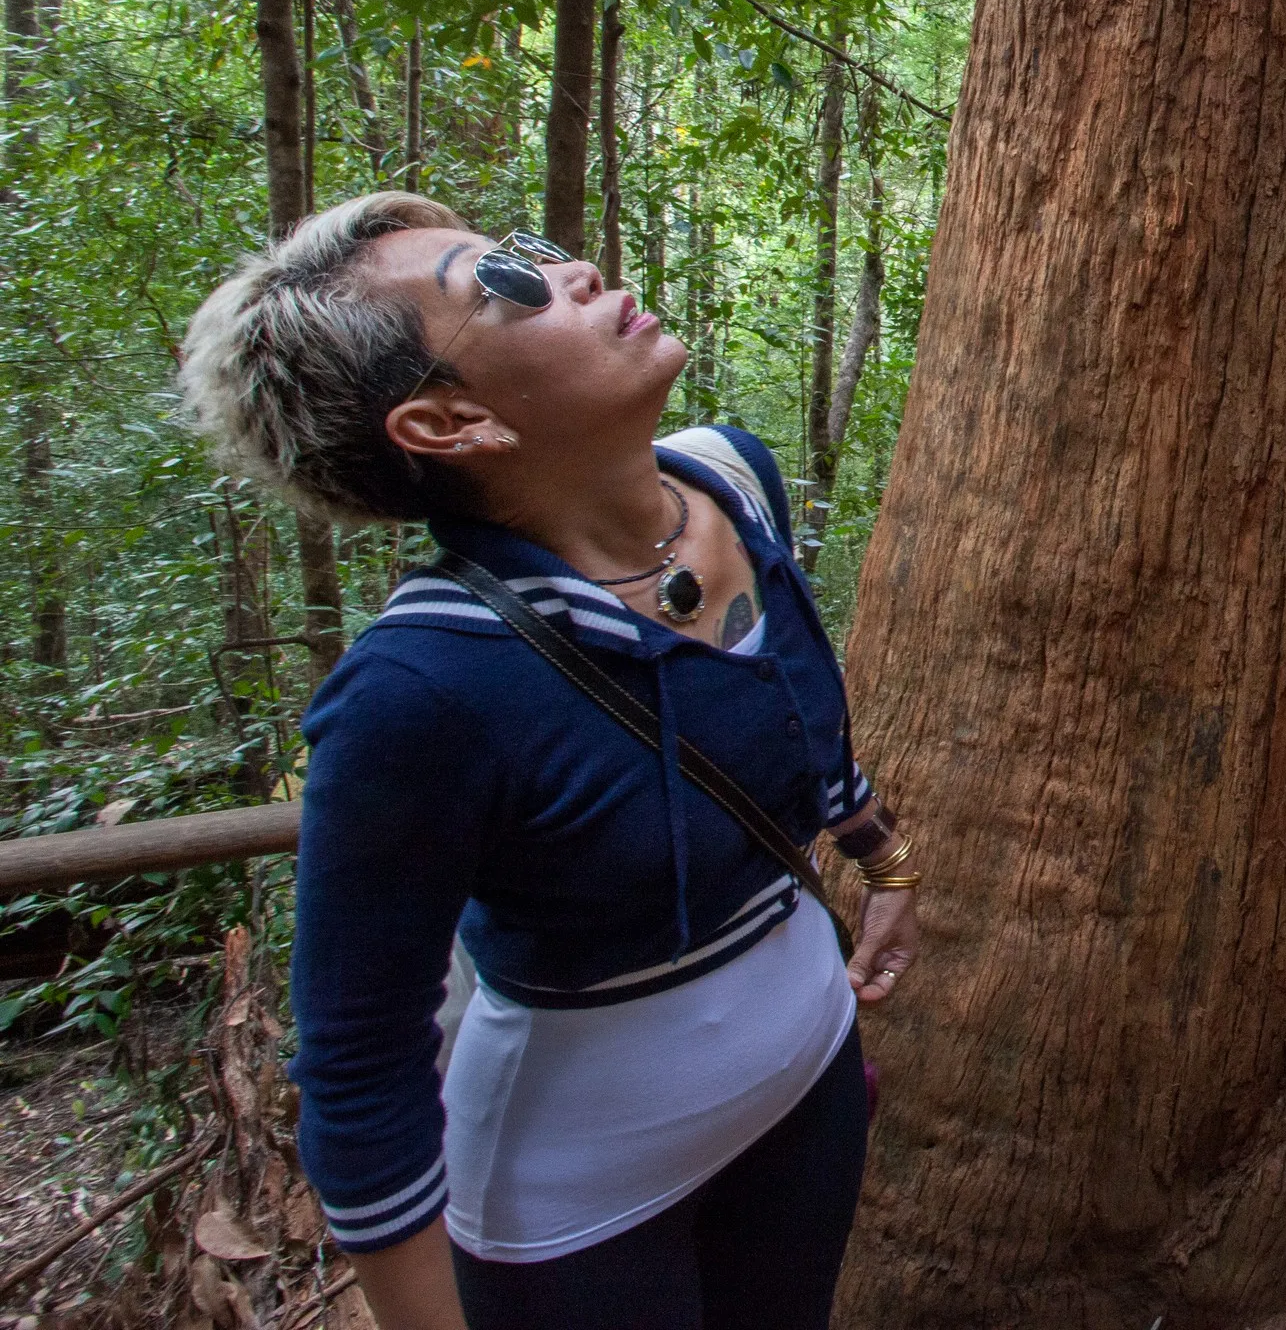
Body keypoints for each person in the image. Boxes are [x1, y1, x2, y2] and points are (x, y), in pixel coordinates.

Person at [177, 192, 921, 1330]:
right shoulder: (421, 691)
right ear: (446, 424)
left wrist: (883, 860)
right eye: (504, 285)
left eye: (532, 250)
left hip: (808, 1095)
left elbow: (792, 722)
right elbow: (361, 1064)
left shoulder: (732, 477)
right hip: (580, 1205)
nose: (568, 269)